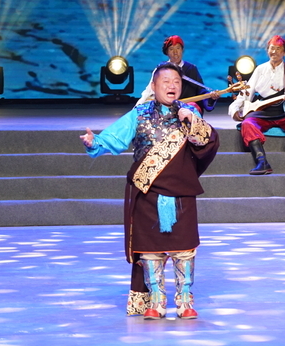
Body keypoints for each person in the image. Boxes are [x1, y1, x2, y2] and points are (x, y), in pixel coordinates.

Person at [80, 62, 220, 320]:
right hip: (148, 193)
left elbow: (208, 142)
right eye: (166, 82)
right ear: (153, 86)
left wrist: (192, 122)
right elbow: (114, 138)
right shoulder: (139, 113)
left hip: (181, 193)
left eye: (176, 82)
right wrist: (94, 142)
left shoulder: (189, 112)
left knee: (184, 250)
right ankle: (156, 300)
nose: (172, 86)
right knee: (150, 251)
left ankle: (185, 300)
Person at [228, 35, 285, 176]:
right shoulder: (260, 69)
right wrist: (234, 108)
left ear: (284, 52)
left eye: (278, 49)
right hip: (264, 111)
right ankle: (262, 161)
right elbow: (246, 93)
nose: (274, 52)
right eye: (272, 48)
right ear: (267, 50)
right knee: (247, 124)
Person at [137, 36, 219, 113]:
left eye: (178, 48)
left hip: (188, 108)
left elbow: (201, 91)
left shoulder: (191, 68)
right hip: (166, 109)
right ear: (166, 52)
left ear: (182, 50)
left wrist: (210, 97)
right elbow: (149, 92)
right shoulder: (161, 70)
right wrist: (138, 106)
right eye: (171, 49)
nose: (175, 52)